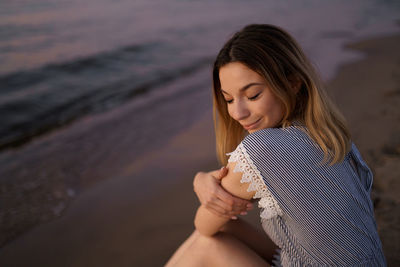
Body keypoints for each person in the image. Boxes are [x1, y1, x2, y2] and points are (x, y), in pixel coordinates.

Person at [166, 24, 386, 266]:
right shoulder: (325, 133)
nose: (237, 113)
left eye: (253, 95)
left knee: (206, 243)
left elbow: (203, 225)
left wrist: (201, 182)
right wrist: (202, 178)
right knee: (225, 226)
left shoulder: (264, 148)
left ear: (293, 83)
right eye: (228, 99)